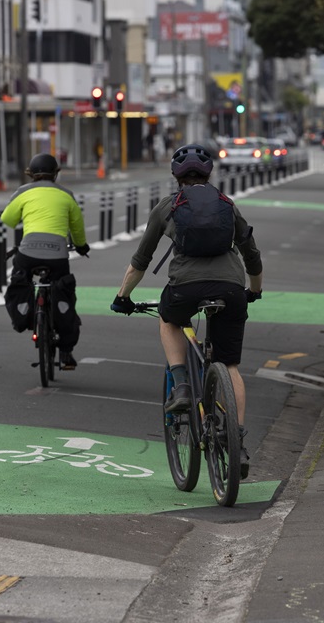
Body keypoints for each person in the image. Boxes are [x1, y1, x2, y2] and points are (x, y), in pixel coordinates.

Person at [110, 144, 263, 477]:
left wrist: (123, 296)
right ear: (209, 175)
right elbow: (251, 254)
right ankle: (236, 439)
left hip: (185, 289)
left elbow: (140, 261)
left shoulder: (168, 206)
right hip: (231, 288)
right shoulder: (227, 205)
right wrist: (254, 290)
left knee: (168, 320)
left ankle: (181, 387)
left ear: (175, 176)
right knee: (230, 364)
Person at [0, 153, 89, 370]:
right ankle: (66, 352)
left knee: (20, 283)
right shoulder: (67, 195)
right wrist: (81, 246)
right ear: (56, 173)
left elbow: (7, 219)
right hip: (58, 255)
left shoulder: (23, 192)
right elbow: (77, 227)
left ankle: (27, 317)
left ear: (30, 174)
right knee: (64, 291)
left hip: (28, 253)